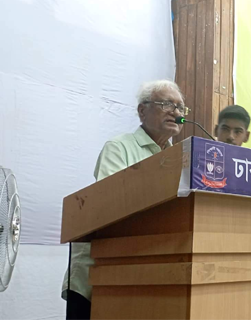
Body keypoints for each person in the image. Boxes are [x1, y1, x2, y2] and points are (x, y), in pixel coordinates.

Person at [61, 80, 187, 320]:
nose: (175, 112)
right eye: (166, 104)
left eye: (180, 107)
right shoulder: (119, 148)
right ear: (142, 111)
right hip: (97, 278)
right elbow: (110, 207)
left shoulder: (178, 158)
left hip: (145, 275)